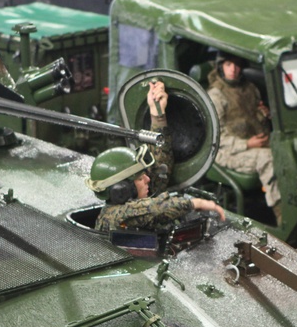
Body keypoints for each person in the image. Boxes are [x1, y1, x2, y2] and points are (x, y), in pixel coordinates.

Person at [87, 79, 225, 232]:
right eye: (140, 178)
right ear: (122, 190)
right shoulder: (113, 216)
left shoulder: (135, 198)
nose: (147, 179)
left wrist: (157, 114)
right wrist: (195, 203)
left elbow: (160, 167)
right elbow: (156, 208)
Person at [206, 52, 282, 224]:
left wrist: (265, 115)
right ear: (220, 67)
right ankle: (282, 215)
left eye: (237, 65)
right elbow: (215, 138)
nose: (233, 69)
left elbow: (253, 119)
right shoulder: (216, 95)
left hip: (258, 142)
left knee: (286, 154)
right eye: (228, 65)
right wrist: (247, 144)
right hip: (227, 152)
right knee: (268, 159)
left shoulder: (249, 88)